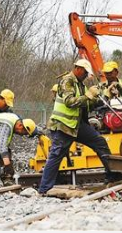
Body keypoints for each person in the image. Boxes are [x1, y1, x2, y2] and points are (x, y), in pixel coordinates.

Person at [38, 59, 117, 195]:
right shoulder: (66, 81)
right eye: (85, 72)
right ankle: (44, 189)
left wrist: (104, 96)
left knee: (100, 142)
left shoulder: (80, 85)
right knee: (56, 155)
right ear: (78, 68)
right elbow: (69, 102)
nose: (86, 75)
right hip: (63, 125)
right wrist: (88, 95)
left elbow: (88, 105)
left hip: (76, 125)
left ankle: (113, 177)